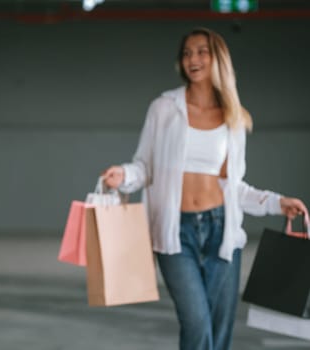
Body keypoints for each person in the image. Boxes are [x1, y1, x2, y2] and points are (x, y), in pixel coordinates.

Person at [102, 27, 308, 350]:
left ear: (218, 59)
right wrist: (123, 176)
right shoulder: (164, 108)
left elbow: (234, 186)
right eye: (186, 53)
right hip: (175, 235)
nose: (192, 59)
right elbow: (144, 166)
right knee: (197, 322)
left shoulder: (233, 117)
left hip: (221, 231)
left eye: (201, 52)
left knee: (219, 329)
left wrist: (277, 203)